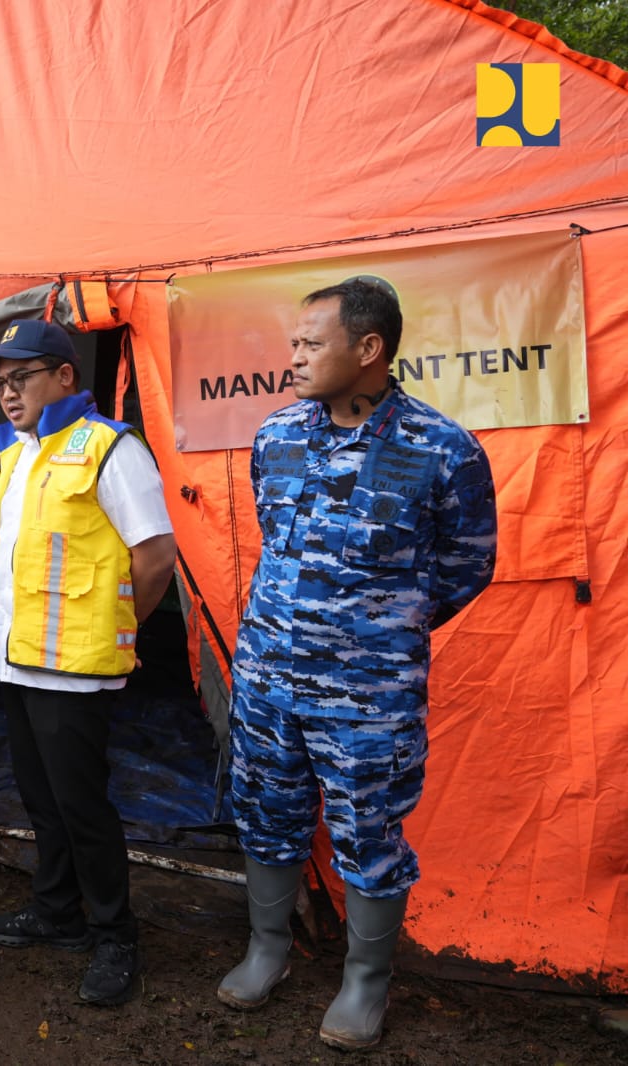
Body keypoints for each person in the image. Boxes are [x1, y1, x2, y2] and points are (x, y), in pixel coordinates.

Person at [217, 278, 497, 1050]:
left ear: (368, 349)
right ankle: (268, 949)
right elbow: (277, 542)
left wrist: (378, 631)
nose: (294, 356)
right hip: (269, 681)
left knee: (367, 832)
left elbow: (466, 567)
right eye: (295, 342)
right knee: (266, 815)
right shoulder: (277, 436)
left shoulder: (442, 450)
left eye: (311, 343)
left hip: (367, 697)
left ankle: (365, 981)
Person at [0, 319, 177, 1007]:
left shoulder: (111, 449)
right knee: (43, 801)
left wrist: (117, 627)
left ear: (64, 376)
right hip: (19, 662)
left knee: (83, 807)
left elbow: (155, 558)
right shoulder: (18, 453)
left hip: (76, 667)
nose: (7, 393)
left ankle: (116, 936)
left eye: (20, 377)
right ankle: (57, 912)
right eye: (0, 383)